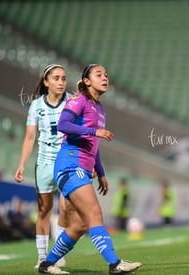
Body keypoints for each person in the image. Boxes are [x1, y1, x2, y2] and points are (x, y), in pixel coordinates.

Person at [38, 64, 142, 275]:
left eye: (106, 74)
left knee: (79, 226)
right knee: (94, 213)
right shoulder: (79, 101)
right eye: (99, 75)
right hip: (69, 165)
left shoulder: (99, 108)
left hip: (83, 168)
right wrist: (94, 131)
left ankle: (47, 264)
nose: (105, 78)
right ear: (87, 81)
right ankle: (114, 264)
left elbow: (92, 145)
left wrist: (101, 172)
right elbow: (63, 125)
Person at [14, 64, 69, 269]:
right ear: (46, 82)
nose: (61, 82)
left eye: (63, 78)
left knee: (66, 208)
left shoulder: (72, 101)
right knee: (44, 210)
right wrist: (21, 165)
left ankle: (59, 251)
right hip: (44, 163)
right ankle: (42, 257)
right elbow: (30, 137)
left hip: (67, 162)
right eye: (56, 78)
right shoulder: (36, 105)